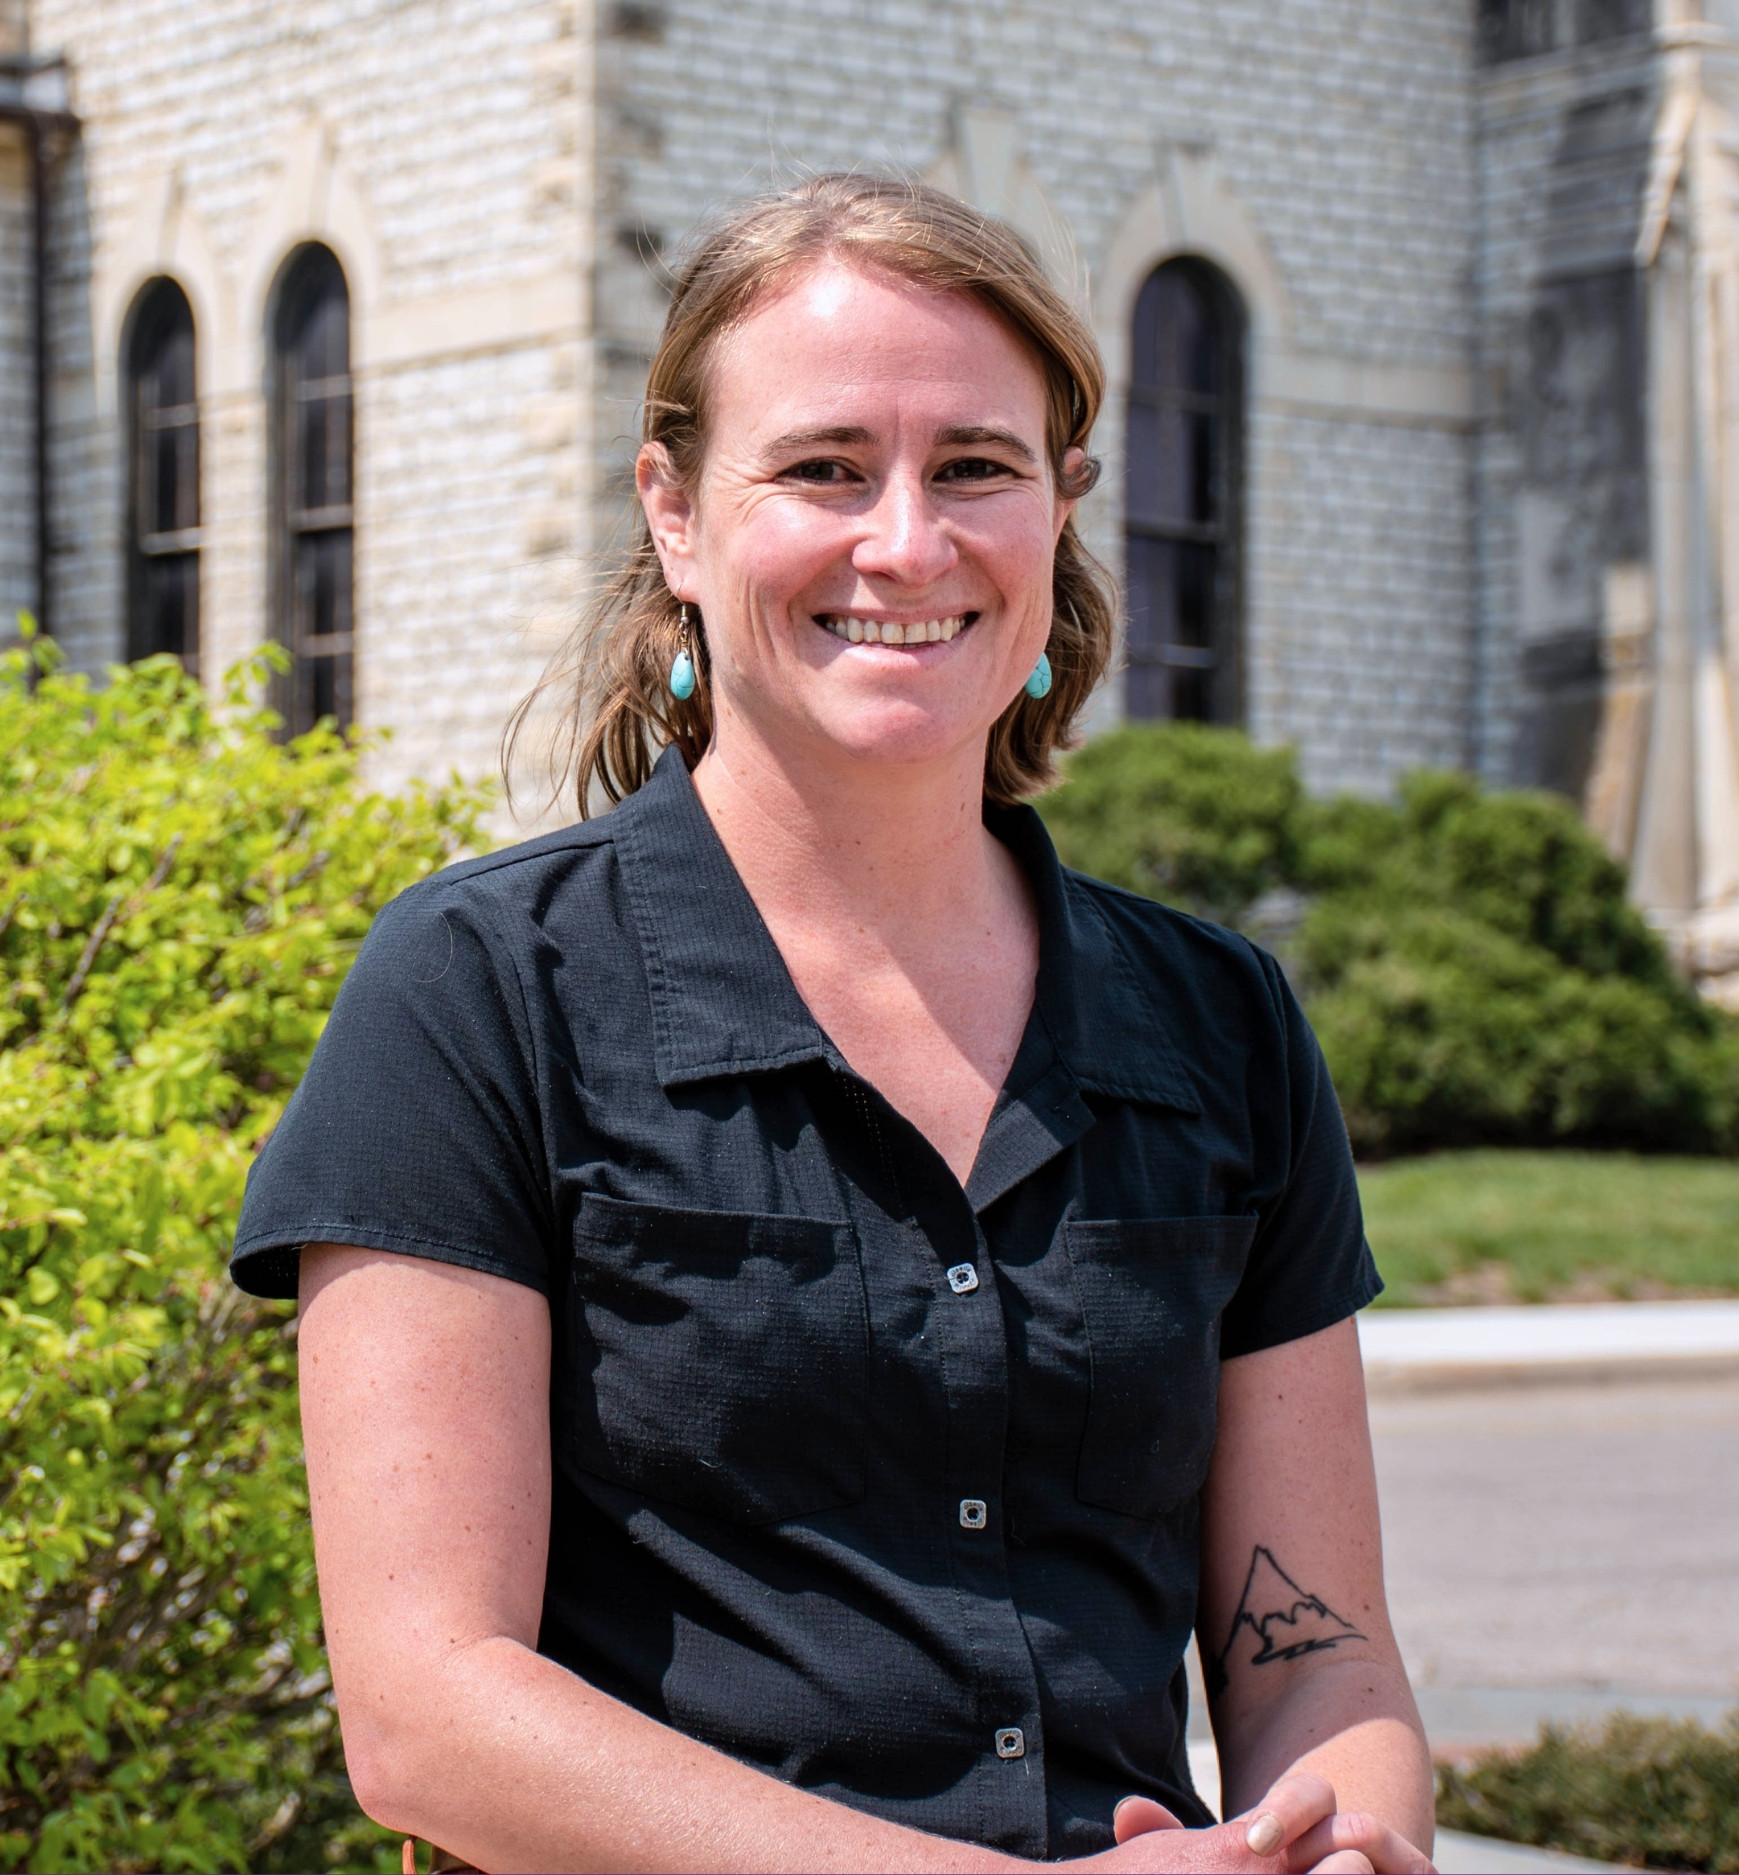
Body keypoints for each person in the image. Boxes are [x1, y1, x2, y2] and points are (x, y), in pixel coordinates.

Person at [232, 173, 1436, 1874]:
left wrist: (1343, 1843)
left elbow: (1311, 1648)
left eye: (975, 468)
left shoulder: (1220, 1021)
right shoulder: (479, 991)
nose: (905, 543)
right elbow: (428, 1715)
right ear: (674, 513)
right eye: (821, 468)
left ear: (1059, 507)